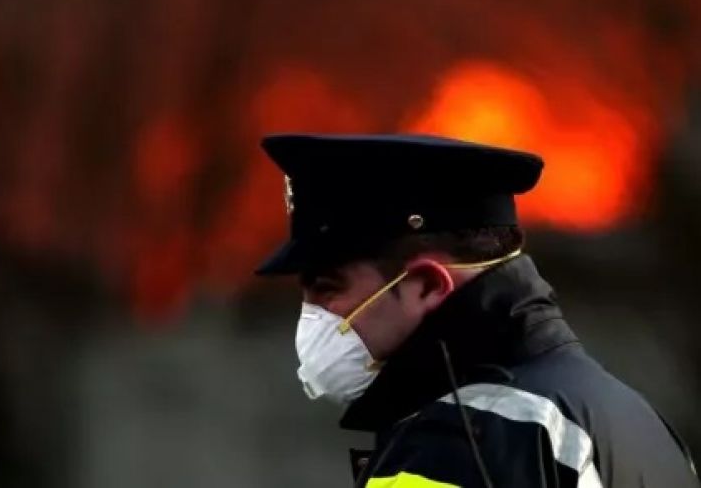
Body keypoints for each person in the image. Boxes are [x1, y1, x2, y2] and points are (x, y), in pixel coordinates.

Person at [254, 133, 698, 488]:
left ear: (428, 285)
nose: (312, 315)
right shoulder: (631, 419)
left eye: (328, 289)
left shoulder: (461, 439)